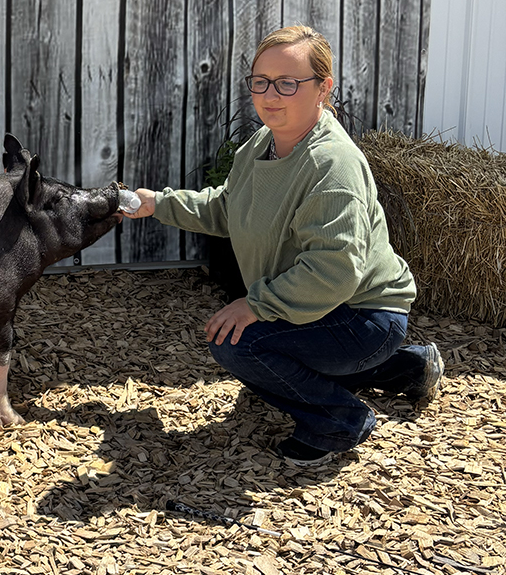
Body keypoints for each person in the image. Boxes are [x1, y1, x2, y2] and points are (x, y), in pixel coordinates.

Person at [122, 24, 444, 466]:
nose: (270, 94)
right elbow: (228, 208)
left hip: (363, 314)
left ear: (323, 88)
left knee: (238, 342)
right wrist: (155, 203)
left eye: (288, 82)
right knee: (263, 341)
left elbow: (332, 270)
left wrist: (257, 305)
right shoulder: (261, 145)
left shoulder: (332, 165)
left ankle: (339, 420)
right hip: (327, 308)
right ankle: (409, 368)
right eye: (261, 81)